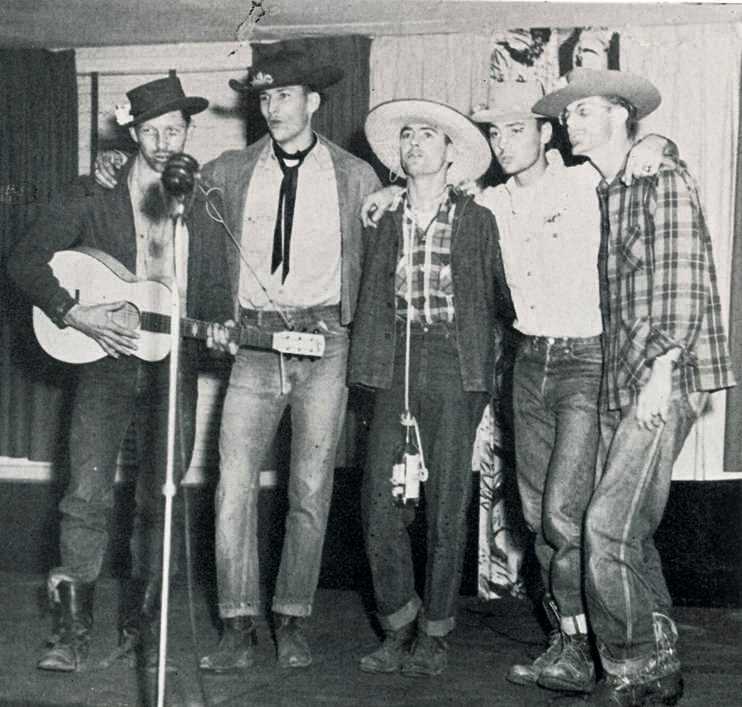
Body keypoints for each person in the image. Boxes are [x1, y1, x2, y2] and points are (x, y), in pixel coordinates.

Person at [360, 82, 670, 693]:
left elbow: (635, 158)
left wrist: (656, 142)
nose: (503, 142)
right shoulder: (488, 202)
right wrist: (388, 191)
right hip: (519, 363)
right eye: (495, 132)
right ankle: (557, 641)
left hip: (578, 361)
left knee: (560, 513)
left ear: (546, 133)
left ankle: (621, 645)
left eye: (516, 129)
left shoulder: (581, 183)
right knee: (524, 513)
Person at [7, 76, 231, 673]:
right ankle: (70, 634)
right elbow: (24, 260)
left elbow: (214, 290)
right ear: (132, 135)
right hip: (101, 363)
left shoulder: (205, 201)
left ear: (189, 132)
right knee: (85, 496)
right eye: (151, 131)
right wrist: (72, 311)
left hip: (173, 365)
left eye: (174, 130)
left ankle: (145, 629)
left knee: (162, 498)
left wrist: (219, 328)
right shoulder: (92, 191)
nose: (163, 143)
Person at [533, 68, 735, 706]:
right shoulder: (610, 187)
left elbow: (684, 277)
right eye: (567, 114)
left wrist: (663, 370)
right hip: (624, 380)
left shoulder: (659, 177)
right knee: (629, 531)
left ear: (621, 115)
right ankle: (660, 662)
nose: (570, 123)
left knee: (606, 527)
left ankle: (632, 665)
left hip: (659, 378)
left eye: (584, 110)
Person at [348, 98, 512, 678]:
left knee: (446, 504)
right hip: (391, 357)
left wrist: (483, 372)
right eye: (408, 136)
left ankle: (435, 632)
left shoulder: (479, 220)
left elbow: (501, 299)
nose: (415, 144)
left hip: (451, 360)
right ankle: (398, 623)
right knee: (378, 502)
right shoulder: (382, 217)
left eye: (428, 136)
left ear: (450, 153)